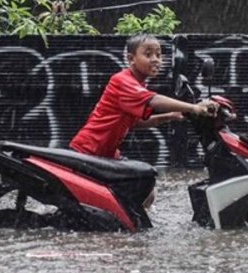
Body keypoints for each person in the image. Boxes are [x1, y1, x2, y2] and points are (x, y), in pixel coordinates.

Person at [68, 33, 217, 208]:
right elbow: (153, 100)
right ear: (131, 59)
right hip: (88, 152)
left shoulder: (137, 84)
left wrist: (169, 116)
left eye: (159, 55)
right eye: (148, 54)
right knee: (141, 186)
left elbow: (135, 122)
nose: (156, 60)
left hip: (106, 155)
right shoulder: (122, 81)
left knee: (146, 189)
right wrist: (194, 107)